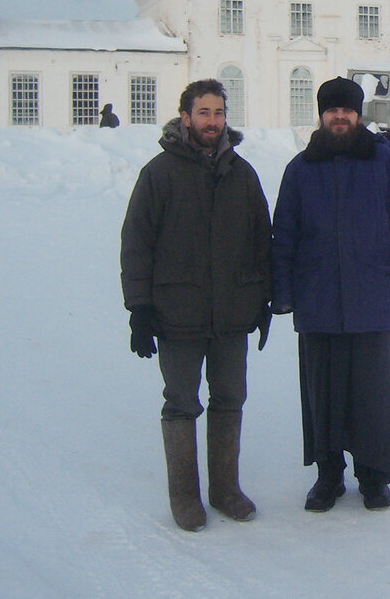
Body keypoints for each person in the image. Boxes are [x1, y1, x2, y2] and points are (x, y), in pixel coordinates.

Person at [120, 79, 271, 531]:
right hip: (177, 312)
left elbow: (262, 241)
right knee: (182, 402)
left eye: (219, 112)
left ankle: (225, 489)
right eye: (203, 112)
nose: (212, 121)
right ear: (185, 117)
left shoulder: (242, 174)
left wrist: (264, 300)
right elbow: (137, 244)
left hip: (232, 314)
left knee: (229, 398)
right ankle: (185, 497)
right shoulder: (159, 173)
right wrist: (139, 308)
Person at [271, 76, 390, 511]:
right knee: (323, 393)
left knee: (372, 395)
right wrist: (281, 293)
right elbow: (283, 235)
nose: (340, 116)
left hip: (371, 298)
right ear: (321, 115)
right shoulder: (300, 171)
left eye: (347, 110)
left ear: (358, 115)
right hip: (317, 299)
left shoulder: (385, 165)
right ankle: (328, 475)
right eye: (332, 110)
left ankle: (374, 477)